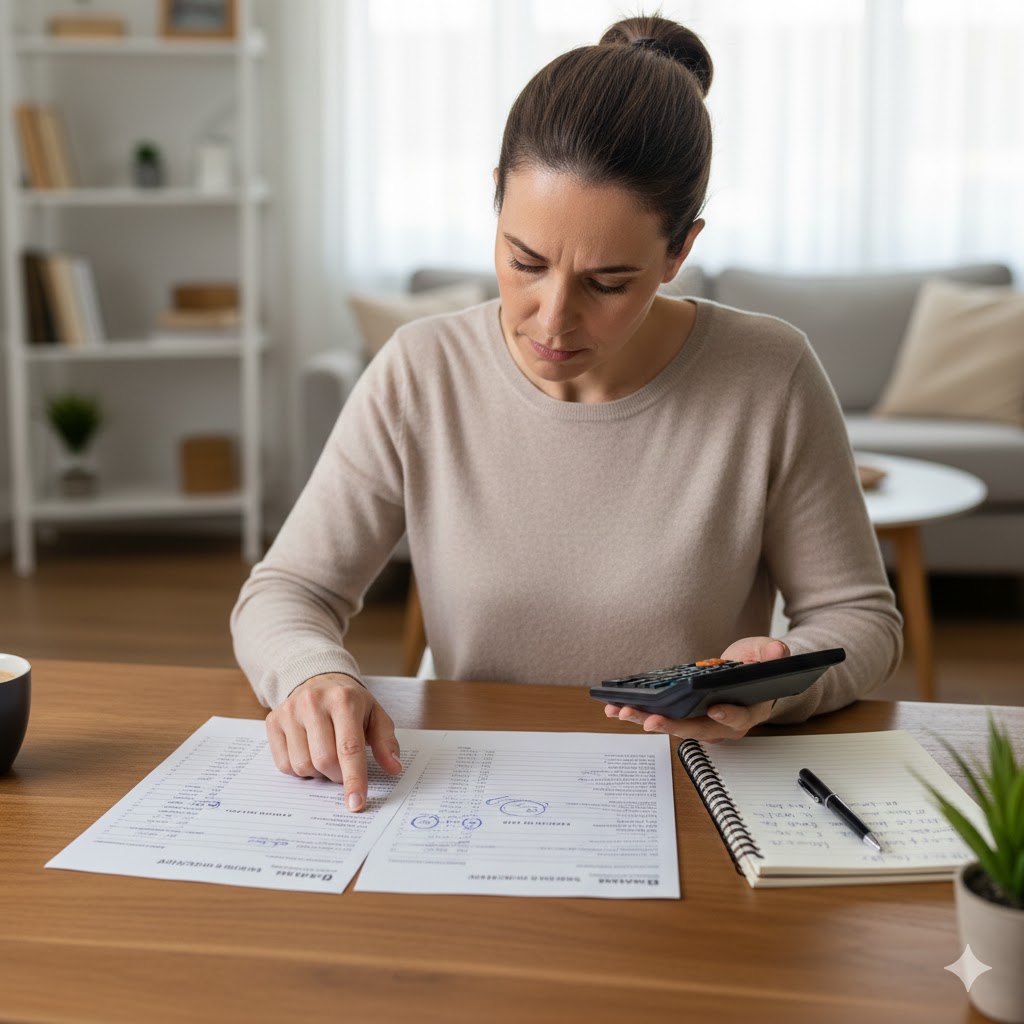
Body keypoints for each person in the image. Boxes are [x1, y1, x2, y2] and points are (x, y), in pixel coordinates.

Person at [231, 15, 902, 812]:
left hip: (696, 794)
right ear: (495, 204)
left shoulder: (769, 374)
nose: (551, 320)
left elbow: (860, 618)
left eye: (609, 283)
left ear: (679, 252)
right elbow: (288, 590)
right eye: (525, 262)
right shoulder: (423, 370)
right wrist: (313, 675)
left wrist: (778, 677)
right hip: (469, 795)